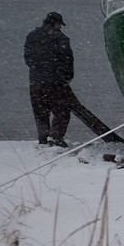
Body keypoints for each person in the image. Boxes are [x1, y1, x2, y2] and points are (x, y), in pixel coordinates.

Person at [23, 11, 74, 147]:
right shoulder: (61, 38)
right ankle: (56, 137)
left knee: (41, 113)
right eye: (59, 24)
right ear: (55, 23)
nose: (60, 27)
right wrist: (67, 78)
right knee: (62, 111)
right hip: (55, 83)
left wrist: (38, 71)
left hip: (36, 82)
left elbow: (27, 59)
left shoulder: (31, 36)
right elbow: (67, 60)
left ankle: (43, 140)